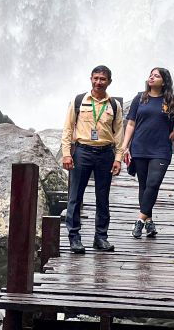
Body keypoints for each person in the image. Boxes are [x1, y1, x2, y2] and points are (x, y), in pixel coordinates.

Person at [61, 65, 124, 253]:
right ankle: (74, 238)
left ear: (109, 82)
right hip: (82, 152)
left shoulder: (114, 105)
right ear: (90, 79)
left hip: (105, 153)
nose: (98, 82)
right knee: (75, 196)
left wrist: (118, 158)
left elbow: (119, 133)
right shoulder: (79, 101)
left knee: (102, 197)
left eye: (102, 79)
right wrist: (66, 153)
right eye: (96, 78)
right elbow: (67, 128)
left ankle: (101, 237)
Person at [121, 67, 174, 238]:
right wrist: (125, 146)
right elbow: (131, 123)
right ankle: (149, 222)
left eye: (156, 76)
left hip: (161, 149)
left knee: (153, 183)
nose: (151, 77)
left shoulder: (172, 100)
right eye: (151, 75)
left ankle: (140, 221)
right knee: (143, 186)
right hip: (140, 147)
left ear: (164, 81)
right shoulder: (140, 98)